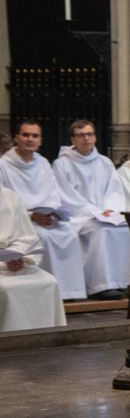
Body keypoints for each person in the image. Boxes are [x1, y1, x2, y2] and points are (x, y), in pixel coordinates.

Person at [0, 121, 87, 301]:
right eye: (25, 135)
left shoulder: (43, 163)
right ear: (17, 138)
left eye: (35, 136)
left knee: (70, 235)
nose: (30, 139)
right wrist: (31, 216)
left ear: (40, 141)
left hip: (45, 217)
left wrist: (51, 213)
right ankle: (49, 293)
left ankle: (70, 292)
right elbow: (5, 202)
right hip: (23, 222)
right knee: (44, 238)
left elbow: (53, 194)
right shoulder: (4, 164)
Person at [52, 120, 130, 299]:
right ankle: (100, 285)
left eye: (90, 134)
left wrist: (110, 210)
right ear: (73, 139)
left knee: (124, 229)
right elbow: (66, 197)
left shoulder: (104, 162)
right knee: (101, 230)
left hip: (104, 214)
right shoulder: (61, 164)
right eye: (81, 135)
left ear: (95, 137)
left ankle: (122, 282)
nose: (86, 139)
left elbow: (114, 191)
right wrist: (94, 212)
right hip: (78, 217)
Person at [0, 185, 66, 331]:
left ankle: (48, 338)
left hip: (10, 261)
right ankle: (9, 342)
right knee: (6, 289)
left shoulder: (9, 196)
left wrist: (17, 256)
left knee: (49, 282)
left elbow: (27, 236)